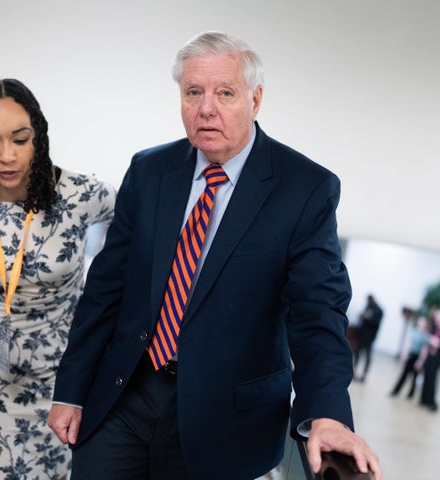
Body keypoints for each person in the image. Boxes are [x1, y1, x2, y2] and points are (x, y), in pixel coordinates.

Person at [47, 31, 381, 480]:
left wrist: (329, 415)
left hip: (226, 420)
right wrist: (70, 391)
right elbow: (105, 289)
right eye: (193, 92)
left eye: (225, 93)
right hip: (125, 399)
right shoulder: (149, 171)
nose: (206, 108)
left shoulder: (305, 189)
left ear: (255, 99)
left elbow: (318, 313)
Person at [0, 78, 116, 479]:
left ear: (39, 137)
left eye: (20, 139)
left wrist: (105, 298)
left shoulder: (81, 194)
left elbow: (139, 229)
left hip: (70, 366)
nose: (7, 156)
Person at [419, 309, 440, 412]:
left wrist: (439, 344)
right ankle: (424, 399)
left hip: (437, 358)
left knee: (432, 379)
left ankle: (431, 402)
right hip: (430, 355)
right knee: (427, 377)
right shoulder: (436, 328)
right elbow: (429, 337)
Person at [390, 316, 430, 398]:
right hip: (411, 355)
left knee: (415, 376)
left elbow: (424, 350)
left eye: (423, 322)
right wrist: (405, 354)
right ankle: (396, 391)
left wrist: (420, 361)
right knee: (404, 374)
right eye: (420, 322)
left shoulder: (426, 335)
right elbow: (409, 343)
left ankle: (411, 393)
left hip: (417, 356)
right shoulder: (414, 331)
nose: (421, 324)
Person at [352, 294, 383, 382]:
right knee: (357, 354)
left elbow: (375, 323)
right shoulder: (368, 306)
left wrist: (367, 317)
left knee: (367, 357)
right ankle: (354, 372)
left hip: (369, 338)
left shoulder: (379, 310)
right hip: (361, 336)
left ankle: (363, 375)